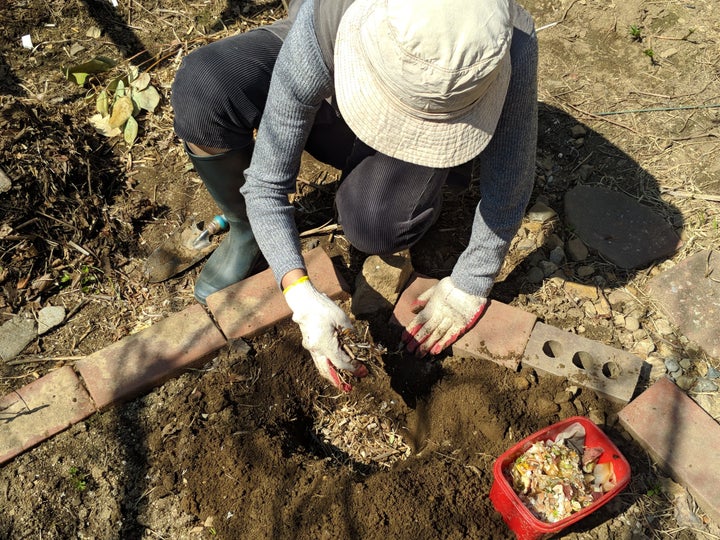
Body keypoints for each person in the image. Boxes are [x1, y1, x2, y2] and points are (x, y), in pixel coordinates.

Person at [171, 0, 538, 391]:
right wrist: (298, 292)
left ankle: (416, 186)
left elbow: (510, 174)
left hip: (434, 109)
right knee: (204, 87)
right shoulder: (332, 12)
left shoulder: (506, 37)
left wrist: (472, 281)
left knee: (373, 226)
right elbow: (266, 182)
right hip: (338, 56)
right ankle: (246, 227)